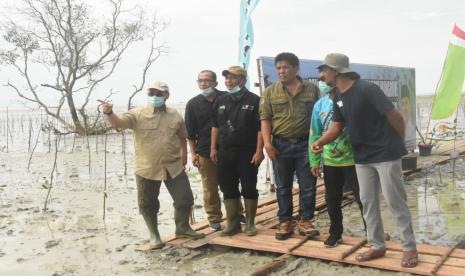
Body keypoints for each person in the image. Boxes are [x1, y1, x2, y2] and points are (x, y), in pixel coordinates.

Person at [311, 53, 418, 268]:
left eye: (324, 70)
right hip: (361, 157)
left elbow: (395, 116)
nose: (321, 75)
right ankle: (377, 244)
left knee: (395, 200)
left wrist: (396, 145)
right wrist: (320, 142)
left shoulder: (367, 89)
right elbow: (337, 126)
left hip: (385, 155)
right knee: (368, 201)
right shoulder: (337, 96)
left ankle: (409, 248)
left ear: (336, 70)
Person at [100, 81, 204, 251]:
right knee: (147, 204)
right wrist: (109, 112)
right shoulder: (138, 113)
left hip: (173, 165)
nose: (154, 96)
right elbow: (119, 123)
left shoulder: (175, 114)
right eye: (151, 93)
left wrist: (184, 156)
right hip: (147, 167)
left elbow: (182, 136)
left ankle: (182, 227)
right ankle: (154, 235)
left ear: (166, 96)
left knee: (185, 199)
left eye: (158, 93)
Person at [260, 52, 320, 240]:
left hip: (305, 145)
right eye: (278, 68)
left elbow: (318, 117)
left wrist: (318, 143)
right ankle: (285, 221)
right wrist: (267, 144)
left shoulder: (311, 89)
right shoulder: (270, 91)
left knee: (308, 185)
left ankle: (305, 221)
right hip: (280, 145)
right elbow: (265, 119)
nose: (281, 71)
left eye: (285, 67)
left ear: (296, 68)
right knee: (283, 186)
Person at [185, 70, 244, 231]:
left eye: (207, 81)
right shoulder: (192, 104)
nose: (203, 84)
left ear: (216, 83)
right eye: (200, 81)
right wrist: (193, 153)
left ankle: (237, 213)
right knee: (209, 187)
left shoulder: (227, 98)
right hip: (204, 151)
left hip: (229, 149)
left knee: (231, 183)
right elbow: (190, 133)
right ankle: (214, 217)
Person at [309, 79, 365, 248]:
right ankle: (335, 233)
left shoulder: (351, 101)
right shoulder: (319, 105)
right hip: (330, 161)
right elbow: (314, 132)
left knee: (363, 198)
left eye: (325, 79)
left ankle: (373, 232)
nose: (322, 82)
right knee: (332, 199)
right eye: (320, 79)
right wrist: (314, 160)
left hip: (355, 160)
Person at [211, 66, 264, 236]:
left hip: (247, 152)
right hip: (225, 152)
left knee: (249, 187)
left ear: (242, 80)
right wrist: (213, 149)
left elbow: (260, 129)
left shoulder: (254, 100)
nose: (228, 81)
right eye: (226, 78)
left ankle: (250, 223)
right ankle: (233, 223)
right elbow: (215, 127)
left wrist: (259, 151)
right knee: (227, 187)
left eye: (232, 78)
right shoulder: (220, 100)